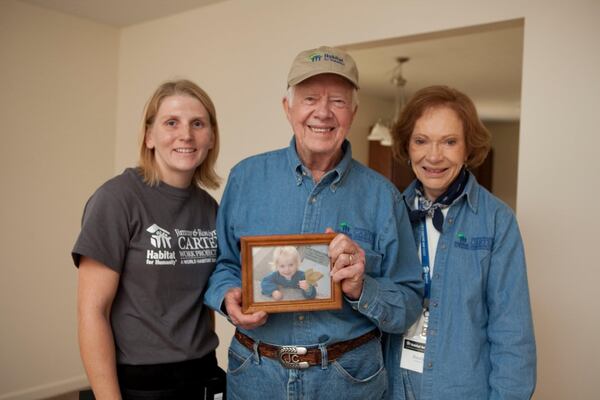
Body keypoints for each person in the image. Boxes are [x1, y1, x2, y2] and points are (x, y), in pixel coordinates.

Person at [204, 45, 423, 400]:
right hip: (255, 376)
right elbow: (223, 265)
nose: (323, 112)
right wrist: (228, 298)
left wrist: (359, 288)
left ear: (353, 112)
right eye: (309, 98)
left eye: (337, 100)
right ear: (287, 108)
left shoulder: (384, 197)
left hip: (348, 380)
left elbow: (409, 303)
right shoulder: (245, 178)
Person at [72, 79, 225, 399]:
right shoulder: (116, 200)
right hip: (139, 381)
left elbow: (202, 298)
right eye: (172, 122)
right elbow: (92, 312)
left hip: (201, 373)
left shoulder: (209, 208)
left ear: (211, 138)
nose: (186, 134)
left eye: (198, 123)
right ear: (149, 135)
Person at [385, 85, 536, 399]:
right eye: (421, 141)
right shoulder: (389, 213)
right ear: (407, 146)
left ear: (468, 148)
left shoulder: (496, 221)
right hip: (393, 389)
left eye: (449, 142)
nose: (434, 156)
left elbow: (513, 336)